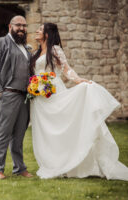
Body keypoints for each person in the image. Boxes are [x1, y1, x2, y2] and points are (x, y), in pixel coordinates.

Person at [30, 22, 128, 181]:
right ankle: (54, 163)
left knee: (63, 128)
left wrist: (78, 80)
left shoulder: (55, 50)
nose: (36, 31)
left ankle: (70, 164)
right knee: (47, 132)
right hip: (40, 99)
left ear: (47, 34)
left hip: (54, 93)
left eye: (40, 29)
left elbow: (66, 69)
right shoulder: (35, 53)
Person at [0, 16, 33, 179]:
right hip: (7, 94)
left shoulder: (26, 48)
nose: (21, 28)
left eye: (24, 26)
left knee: (19, 135)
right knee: (3, 133)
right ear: (10, 26)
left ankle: (20, 168)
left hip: (24, 97)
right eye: (18, 25)